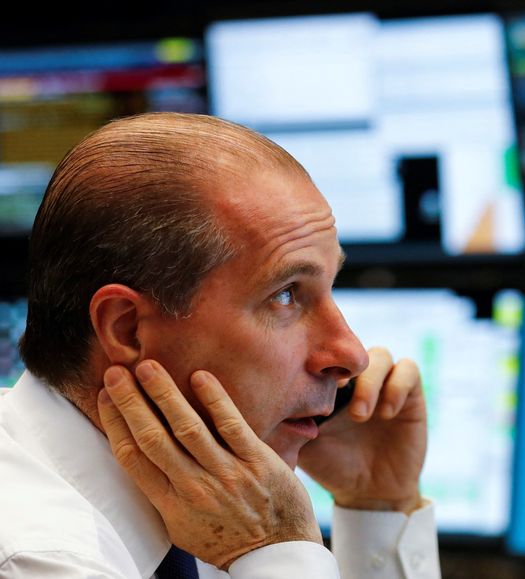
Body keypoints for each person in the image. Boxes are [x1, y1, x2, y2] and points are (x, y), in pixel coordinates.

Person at [0, 112, 441, 578]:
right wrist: (276, 547)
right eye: (286, 294)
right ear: (127, 329)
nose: (351, 353)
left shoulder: (211, 497)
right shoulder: (40, 557)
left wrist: (377, 507)